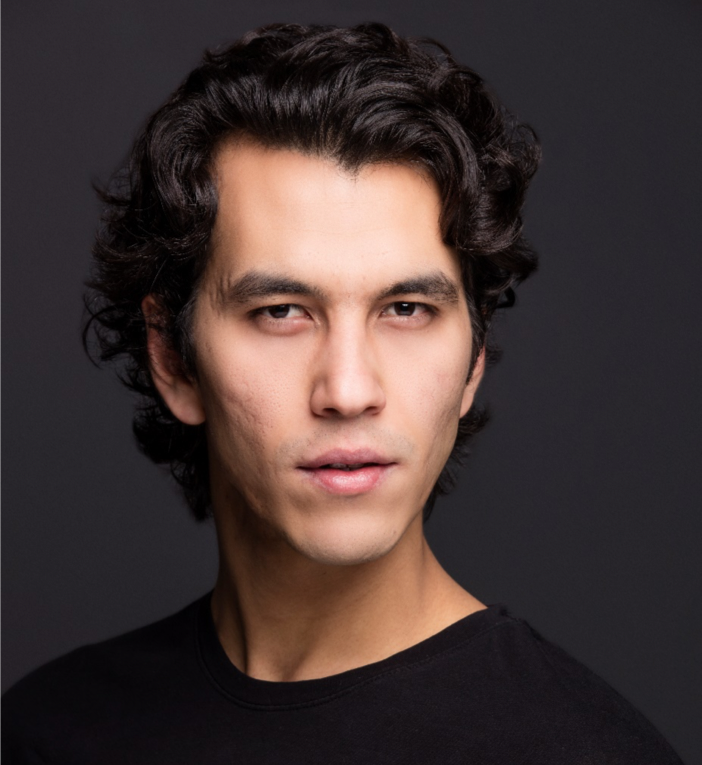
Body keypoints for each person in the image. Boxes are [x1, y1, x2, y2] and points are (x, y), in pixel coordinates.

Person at [0, 22, 683, 764]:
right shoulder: (47, 732)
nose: (349, 390)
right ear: (172, 356)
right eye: (281, 312)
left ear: (475, 354)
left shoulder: (586, 751)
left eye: (406, 309)